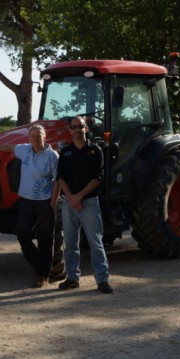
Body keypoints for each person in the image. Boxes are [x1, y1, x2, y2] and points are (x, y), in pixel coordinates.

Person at [0, 125, 60, 288]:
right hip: (26, 201)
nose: (35, 139)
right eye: (32, 136)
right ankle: (40, 266)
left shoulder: (52, 156)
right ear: (29, 138)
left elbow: (58, 180)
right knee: (22, 233)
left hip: (45, 202)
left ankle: (42, 275)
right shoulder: (24, 150)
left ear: (44, 137)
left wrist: (54, 201)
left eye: (39, 135)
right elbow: (10, 147)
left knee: (46, 238)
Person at [57, 116, 113, 293]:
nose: (76, 130)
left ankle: (102, 279)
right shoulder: (65, 152)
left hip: (88, 202)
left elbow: (98, 178)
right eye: (73, 127)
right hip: (69, 203)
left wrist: (79, 197)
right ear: (70, 130)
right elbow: (60, 178)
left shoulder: (95, 151)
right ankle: (72, 277)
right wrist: (71, 198)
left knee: (95, 241)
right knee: (70, 242)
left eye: (79, 126)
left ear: (86, 129)